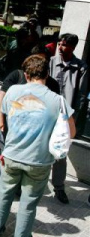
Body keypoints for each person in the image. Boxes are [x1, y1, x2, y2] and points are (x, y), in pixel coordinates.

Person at [0, 55, 76, 237]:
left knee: (4, 196)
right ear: (47, 74)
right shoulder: (58, 100)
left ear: (26, 75)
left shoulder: (12, 92)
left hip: (11, 155)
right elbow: (71, 132)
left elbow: (2, 112)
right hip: (40, 161)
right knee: (29, 203)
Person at [0, 58, 61, 203]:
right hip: (12, 128)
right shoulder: (17, 76)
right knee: (4, 156)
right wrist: (0, 120)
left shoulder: (52, 84)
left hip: (35, 132)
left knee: (23, 162)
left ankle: (16, 190)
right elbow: (0, 98)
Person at [48, 33, 88, 204]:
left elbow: (80, 95)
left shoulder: (81, 67)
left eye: (64, 45)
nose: (60, 47)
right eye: (60, 44)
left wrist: (73, 120)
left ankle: (58, 187)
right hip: (46, 113)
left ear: (72, 47)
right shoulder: (50, 62)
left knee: (60, 153)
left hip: (64, 117)